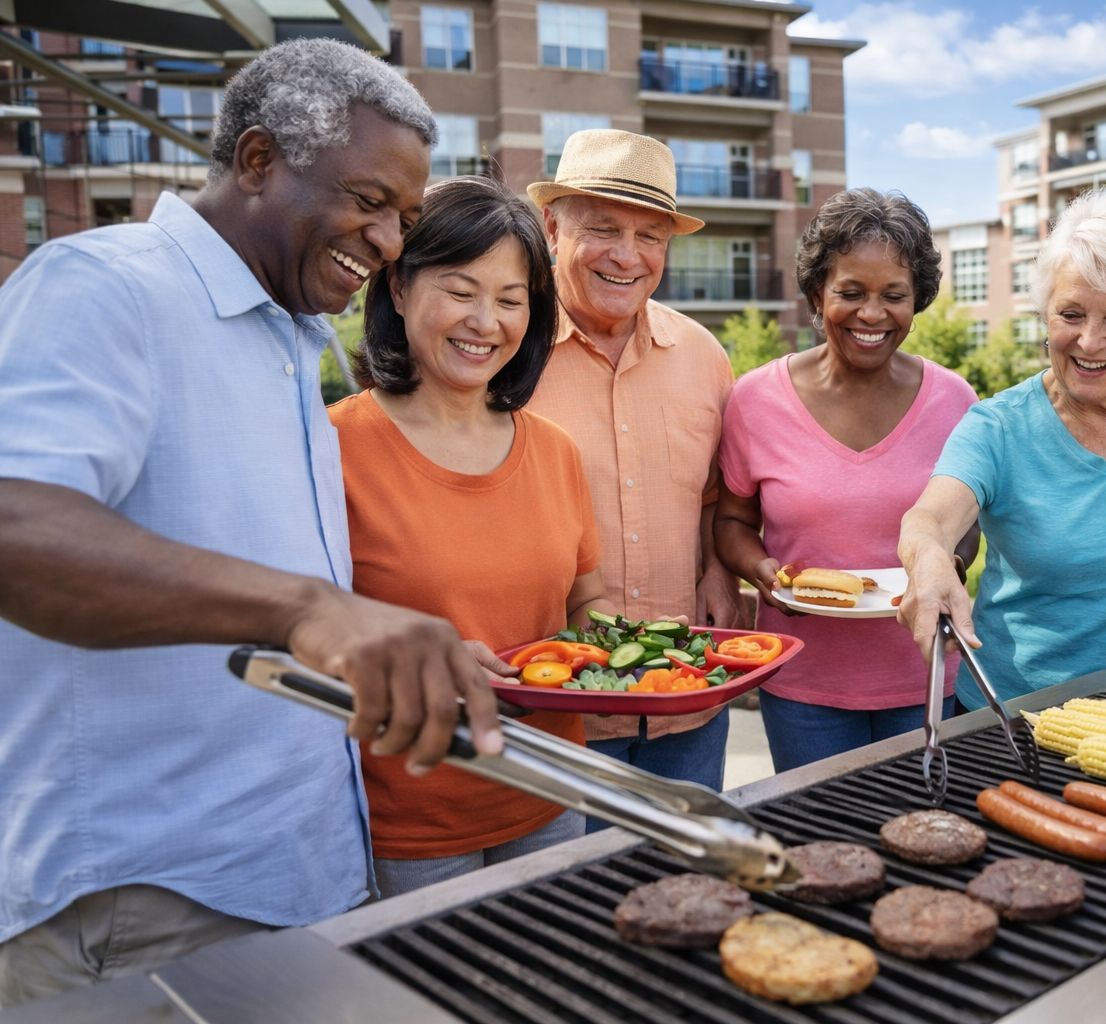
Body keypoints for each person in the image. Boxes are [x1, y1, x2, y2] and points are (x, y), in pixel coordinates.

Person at [0, 40, 506, 1006]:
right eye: (369, 201)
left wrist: (389, 649)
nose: (393, 242)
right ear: (259, 161)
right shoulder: (106, 284)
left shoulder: (290, 339)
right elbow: (15, 524)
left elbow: (245, 590)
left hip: (288, 872)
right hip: (144, 894)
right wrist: (308, 608)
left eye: (404, 217)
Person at [331, 176, 617, 896]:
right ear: (398, 289)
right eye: (461, 290)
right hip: (408, 822)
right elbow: (296, 630)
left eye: (511, 300)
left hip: (552, 791)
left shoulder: (554, 449)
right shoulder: (330, 445)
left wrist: (623, 658)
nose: (485, 321)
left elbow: (585, 604)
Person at [897, 189, 1106, 701]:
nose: (1089, 341)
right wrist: (928, 562)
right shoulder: (997, 427)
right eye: (1071, 314)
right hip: (1017, 717)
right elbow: (930, 520)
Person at [713, 189, 978, 771]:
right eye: (850, 293)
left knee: (923, 839)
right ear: (816, 294)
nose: (872, 314)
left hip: (925, 674)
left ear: (918, 301)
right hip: (802, 678)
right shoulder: (755, 400)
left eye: (894, 296)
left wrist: (944, 571)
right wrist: (763, 573)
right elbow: (731, 519)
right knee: (818, 846)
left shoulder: (955, 401)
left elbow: (966, 526)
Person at [524, 129, 742, 816]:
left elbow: (716, 495)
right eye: (604, 229)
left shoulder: (703, 355)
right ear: (552, 228)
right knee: (571, 907)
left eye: (651, 236)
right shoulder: (503, 351)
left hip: (688, 699)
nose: (627, 256)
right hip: (560, 708)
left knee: (686, 893)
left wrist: (717, 570)